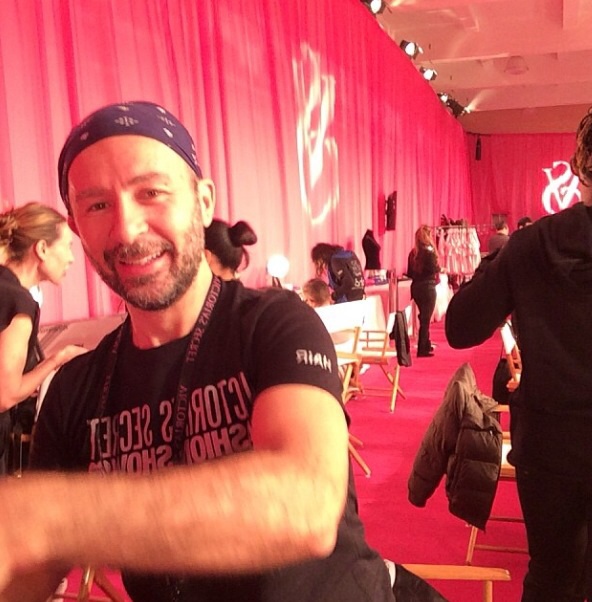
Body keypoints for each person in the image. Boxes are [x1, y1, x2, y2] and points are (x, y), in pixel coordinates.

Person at [0, 101, 394, 602]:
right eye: (97, 205)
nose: (126, 230)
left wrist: (44, 516)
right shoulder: (76, 391)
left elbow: (306, 504)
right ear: (76, 227)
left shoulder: (276, 324)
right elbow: (27, 573)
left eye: (151, 192)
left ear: (203, 202)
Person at [445, 101, 592, 602]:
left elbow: (460, 326)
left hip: (549, 443)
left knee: (551, 576)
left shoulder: (531, 245)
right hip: (551, 442)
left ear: (579, 167)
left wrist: (501, 264)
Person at [0, 202, 85, 475]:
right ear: (42, 249)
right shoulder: (18, 302)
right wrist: (57, 360)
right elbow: (5, 395)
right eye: (68, 246)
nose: (72, 258)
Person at [406, 225, 440, 358]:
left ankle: (426, 343)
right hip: (428, 287)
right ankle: (422, 347)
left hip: (416, 288)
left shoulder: (413, 254)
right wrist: (439, 268)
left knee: (423, 316)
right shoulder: (430, 252)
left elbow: (409, 273)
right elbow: (433, 269)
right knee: (426, 318)